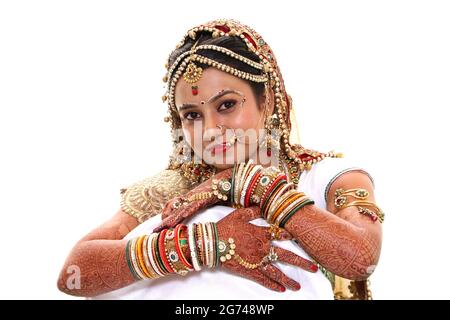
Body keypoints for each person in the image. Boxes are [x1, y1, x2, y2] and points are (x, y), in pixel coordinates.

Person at [57, 19, 383, 300]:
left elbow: (361, 258)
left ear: (267, 100)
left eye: (226, 105)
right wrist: (209, 244)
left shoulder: (324, 176)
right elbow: (74, 273)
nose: (211, 130)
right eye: (192, 115)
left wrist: (254, 184)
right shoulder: (168, 190)